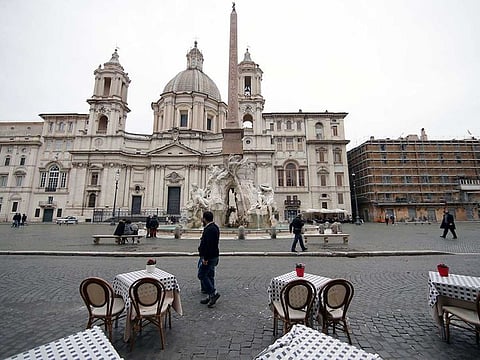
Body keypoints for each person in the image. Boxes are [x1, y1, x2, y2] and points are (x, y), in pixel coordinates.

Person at [198, 211, 221, 308]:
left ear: (204, 219)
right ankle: (210, 296)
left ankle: (213, 293)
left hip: (209, 257)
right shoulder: (214, 227)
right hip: (213, 256)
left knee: (202, 275)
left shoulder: (210, 229)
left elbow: (208, 245)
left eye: (203, 218)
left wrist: (205, 258)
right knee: (210, 275)